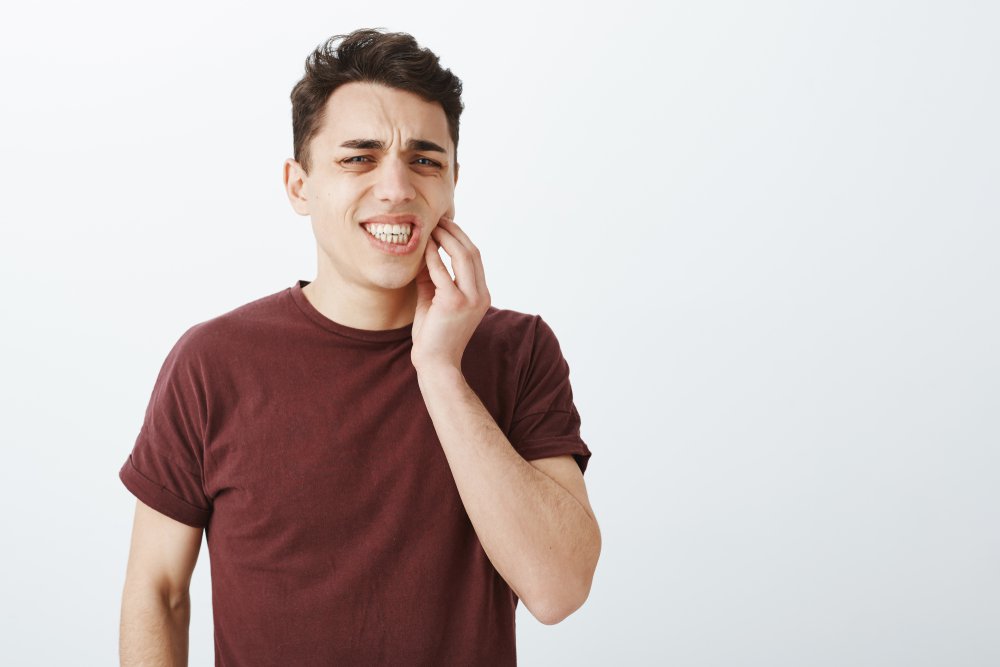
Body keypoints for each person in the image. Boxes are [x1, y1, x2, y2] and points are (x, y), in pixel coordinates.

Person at [118, 27, 601, 666]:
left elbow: (558, 589)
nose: (397, 188)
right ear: (299, 185)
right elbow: (159, 592)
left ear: (453, 182)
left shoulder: (519, 351)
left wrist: (439, 371)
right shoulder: (212, 363)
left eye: (425, 160)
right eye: (359, 158)